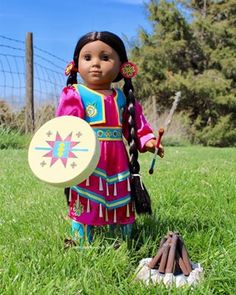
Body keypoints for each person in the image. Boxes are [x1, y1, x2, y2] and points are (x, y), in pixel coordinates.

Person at [56, 31, 164, 245]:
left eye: (105, 58)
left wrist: (148, 141)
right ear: (76, 64)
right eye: (88, 58)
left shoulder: (122, 98)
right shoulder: (75, 94)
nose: (95, 64)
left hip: (117, 159)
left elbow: (134, 125)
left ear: (121, 66)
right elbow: (65, 128)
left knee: (119, 191)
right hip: (88, 157)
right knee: (87, 191)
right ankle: (82, 238)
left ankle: (123, 239)